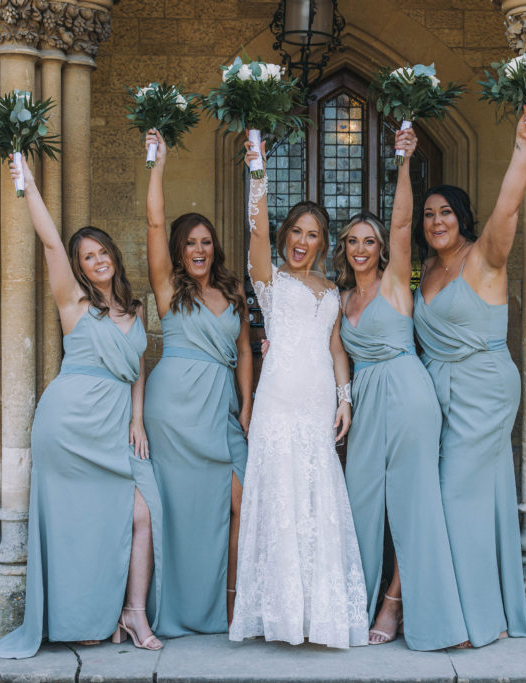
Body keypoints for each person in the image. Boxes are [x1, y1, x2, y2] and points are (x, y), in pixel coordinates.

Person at [0, 158, 163, 661]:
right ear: (79, 266)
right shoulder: (73, 303)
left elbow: (138, 367)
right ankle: (81, 618)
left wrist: (136, 417)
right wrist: (28, 183)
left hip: (114, 426)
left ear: (113, 257)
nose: (97, 260)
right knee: (76, 524)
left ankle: (133, 611)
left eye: (102, 251)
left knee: (140, 513)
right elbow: (47, 241)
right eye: (87, 256)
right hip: (68, 424)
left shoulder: (137, 309)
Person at [412, 106, 526, 648]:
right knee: (479, 495)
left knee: (454, 497)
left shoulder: (483, 257)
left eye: (445, 213)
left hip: (484, 385)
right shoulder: (426, 270)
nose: (436, 221)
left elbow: (509, 207)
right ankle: (483, 612)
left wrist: (522, 146)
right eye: (428, 215)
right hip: (439, 390)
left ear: (462, 218)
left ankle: (471, 623)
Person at [228, 137, 368, 648]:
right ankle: (278, 613)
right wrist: (259, 174)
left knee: (317, 502)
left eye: (312, 235)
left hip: (316, 408)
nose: (302, 241)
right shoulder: (268, 280)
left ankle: (319, 614)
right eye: (296, 232)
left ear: (322, 242)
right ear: (286, 236)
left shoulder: (331, 290)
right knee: (278, 502)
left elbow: (335, 349)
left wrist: (345, 399)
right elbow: (256, 229)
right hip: (277, 405)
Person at [335, 128, 467, 650]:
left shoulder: (395, 283)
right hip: (365, 404)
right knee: (360, 500)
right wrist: (342, 403)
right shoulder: (342, 302)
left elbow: (404, 221)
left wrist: (405, 161)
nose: (363, 248)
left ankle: (400, 605)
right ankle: (351, 605)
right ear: (343, 249)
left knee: (414, 500)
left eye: (370, 241)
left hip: (409, 393)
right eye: (353, 241)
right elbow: (338, 361)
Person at [141, 130, 250, 636]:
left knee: (239, 500)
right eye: (190, 243)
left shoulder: (232, 290)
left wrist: (246, 406)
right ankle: (176, 608)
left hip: (220, 410)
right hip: (174, 413)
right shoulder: (168, 290)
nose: (199, 250)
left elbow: (245, 350)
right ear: (178, 250)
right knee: (179, 511)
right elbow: (154, 220)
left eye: (206, 242)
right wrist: (158, 166)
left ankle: (230, 604)